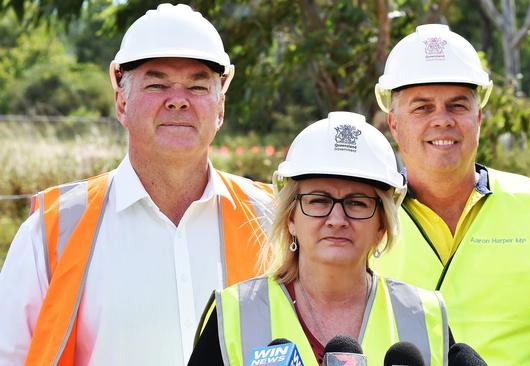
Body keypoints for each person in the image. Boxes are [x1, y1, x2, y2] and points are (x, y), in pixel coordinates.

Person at [0, 4, 273, 365]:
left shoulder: (270, 219)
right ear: (121, 102)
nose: (178, 100)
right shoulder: (53, 230)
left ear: (220, 108)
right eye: (157, 84)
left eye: (197, 85)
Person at [370, 24, 530, 365]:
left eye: (457, 106)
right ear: (394, 123)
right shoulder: (362, 215)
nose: (442, 120)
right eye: (422, 108)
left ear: (479, 116)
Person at [189, 111, 453, 366]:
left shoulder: (424, 317)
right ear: (291, 218)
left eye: (357, 203)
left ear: (382, 225)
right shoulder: (237, 314)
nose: (337, 219)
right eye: (318, 201)